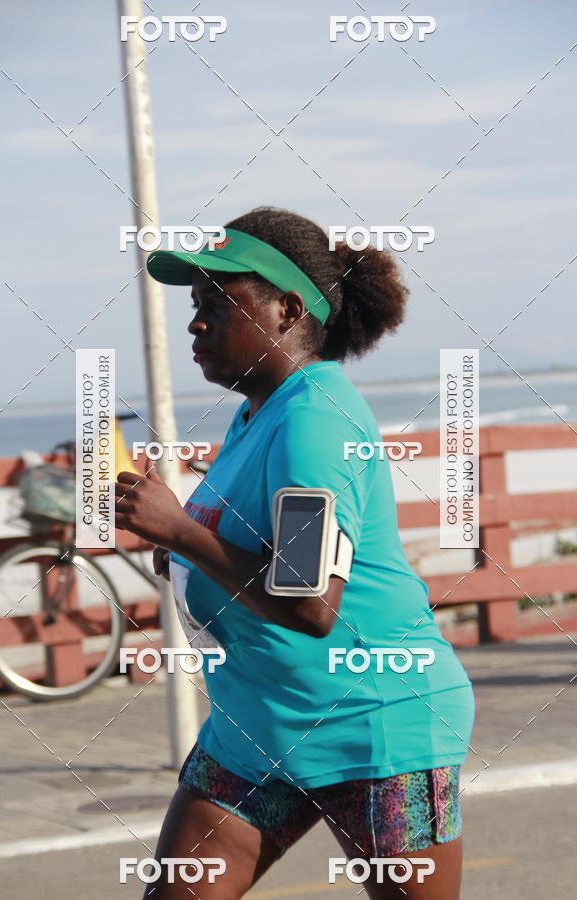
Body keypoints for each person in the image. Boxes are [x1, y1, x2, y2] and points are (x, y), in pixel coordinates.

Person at [114, 206, 475, 899]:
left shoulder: (316, 419)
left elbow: (310, 603)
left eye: (218, 302)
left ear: (285, 308)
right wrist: (183, 552)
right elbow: (255, 546)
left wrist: (183, 533)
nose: (195, 322)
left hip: (374, 723)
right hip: (257, 723)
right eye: (193, 305)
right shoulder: (260, 410)